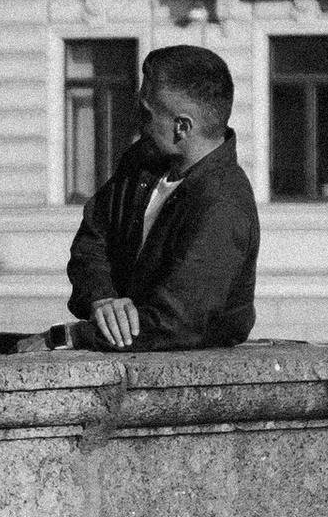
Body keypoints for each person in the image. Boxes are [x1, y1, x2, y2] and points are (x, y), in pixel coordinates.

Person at [65, 44, 260, 349]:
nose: (135, 121)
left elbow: (176, 323)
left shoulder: (222, 203)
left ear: (182, 126)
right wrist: (103, 299)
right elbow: (92, 240)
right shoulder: (141, 160)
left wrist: (74, 336)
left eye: (145, 113)